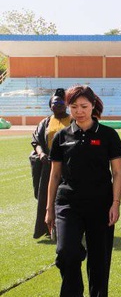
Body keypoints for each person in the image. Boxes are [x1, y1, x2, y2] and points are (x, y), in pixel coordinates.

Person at [45, 85, 121, 297]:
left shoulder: (109, 135)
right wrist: (49, 209)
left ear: (93, 106)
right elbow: (55, 175)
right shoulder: (62, 137)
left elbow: (118, 173)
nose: (79, 111)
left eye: (84, 106)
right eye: (74, 106)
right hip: (67, 203)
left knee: (99, 259)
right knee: (66, 253)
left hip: (101, 204)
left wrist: (116, 203)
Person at [31, 90, 71, 239]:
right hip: (49, 165)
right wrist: (41, 154)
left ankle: (67, 226)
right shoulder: (46, 122)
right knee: (47, 197)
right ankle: (47, 228)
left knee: (65, 196)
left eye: (61, 103)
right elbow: (36, 141)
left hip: (68, 165)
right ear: (50, 106)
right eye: (55, 103)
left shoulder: (73, 120)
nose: (58, 106)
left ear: (66, 105)